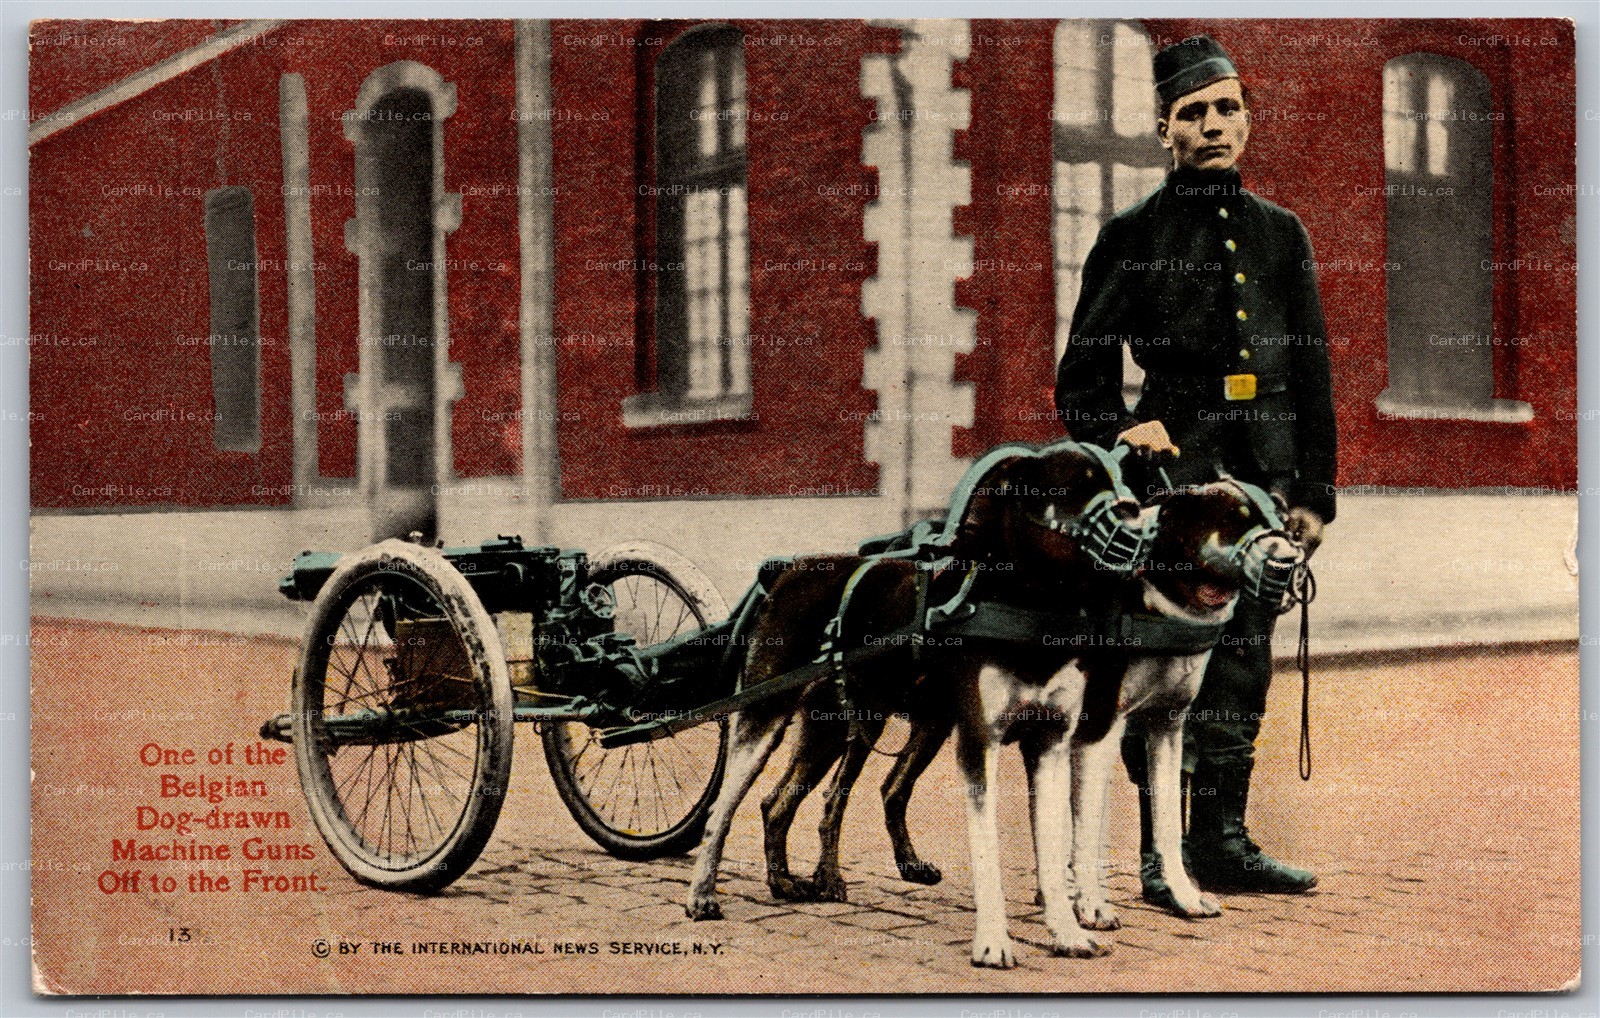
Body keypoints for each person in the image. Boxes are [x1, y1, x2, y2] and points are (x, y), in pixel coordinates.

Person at [1054, 35, 1336, 903]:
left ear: (1247, 120)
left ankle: (1220, 840)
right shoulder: (1132, 236)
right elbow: (1081, 380)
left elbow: (1313, 370)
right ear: (1163, 130)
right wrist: (1128, 432)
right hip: (1181, 488)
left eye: (1227, 110)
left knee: (1246, 652)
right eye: (1192, 114)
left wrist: (1316, 492)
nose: (1213, 127)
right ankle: (1161, 847)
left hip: (1271, 477)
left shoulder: (1281, 236)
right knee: (1170, 660)